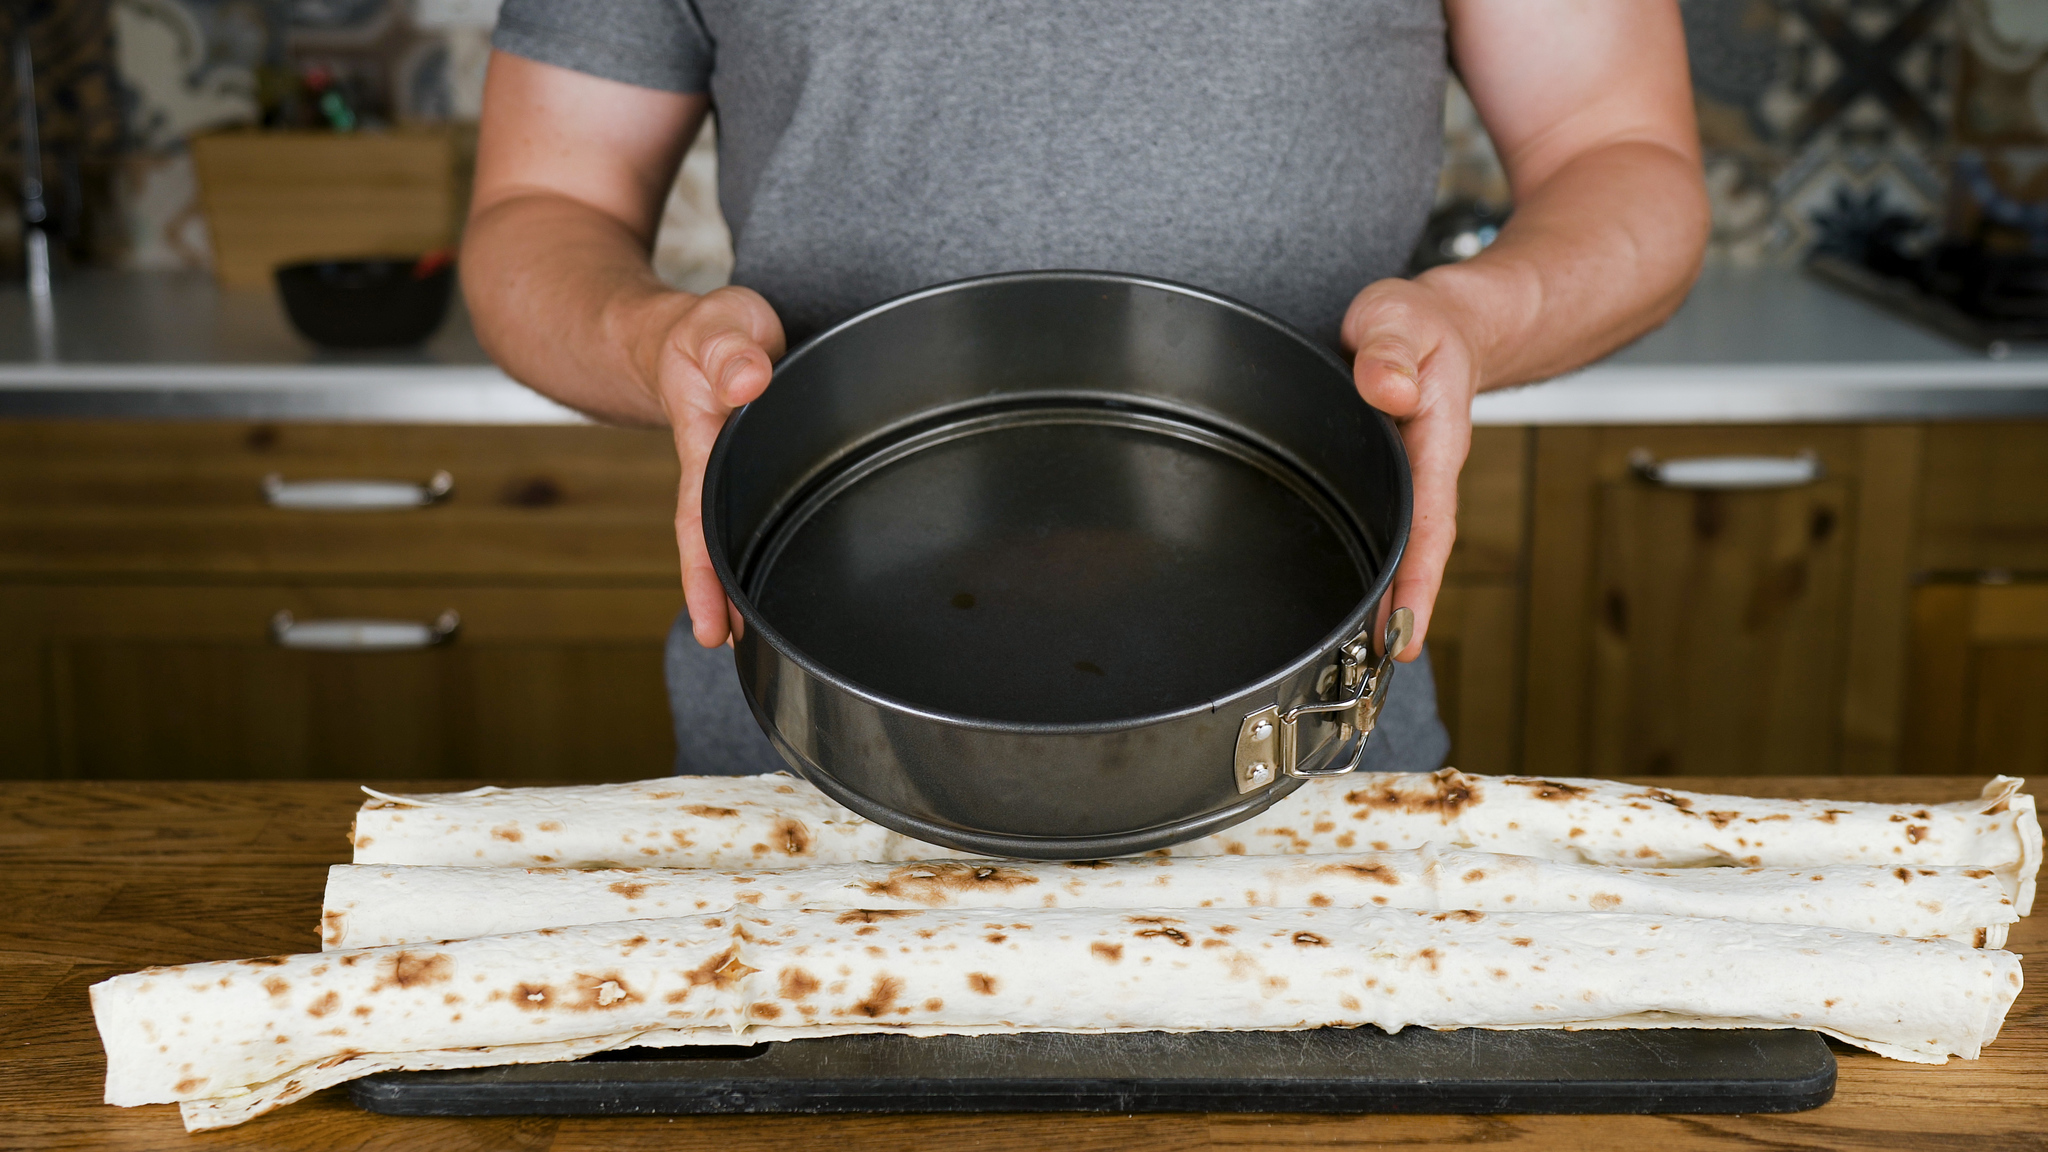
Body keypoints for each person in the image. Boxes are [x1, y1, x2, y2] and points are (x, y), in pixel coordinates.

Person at [462, 1, 1710, 776]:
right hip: (796, 750)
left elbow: (1622, 154)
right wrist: (651, 337)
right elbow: (543, 208)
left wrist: (1470, 316)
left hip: (1312, 743)